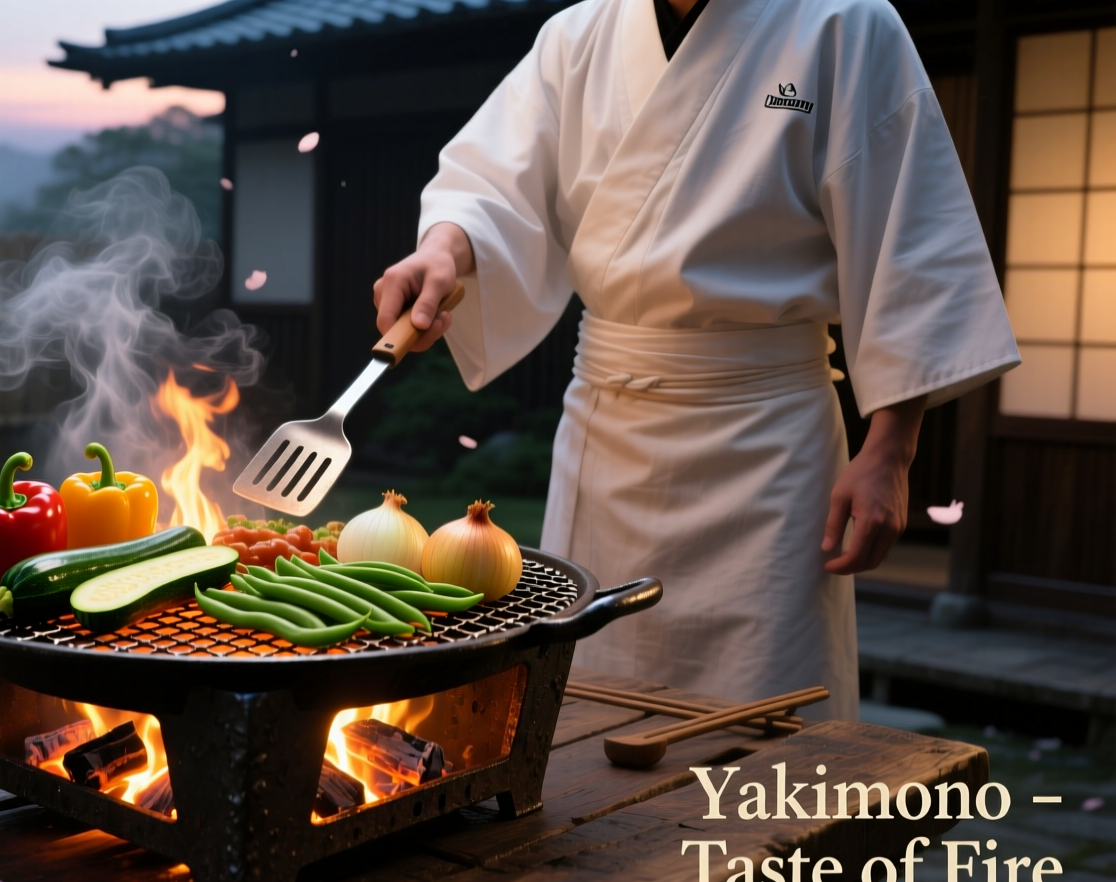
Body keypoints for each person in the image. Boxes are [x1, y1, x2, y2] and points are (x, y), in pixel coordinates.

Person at [372, 0, 1020, 720]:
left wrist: (892, 448)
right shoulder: (579, 34)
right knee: (583, 702)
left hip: (769, 445)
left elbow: (909, 229)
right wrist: (443, 249)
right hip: (606, 430)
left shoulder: (846, 22)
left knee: (767, 720)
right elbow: (492, 185)